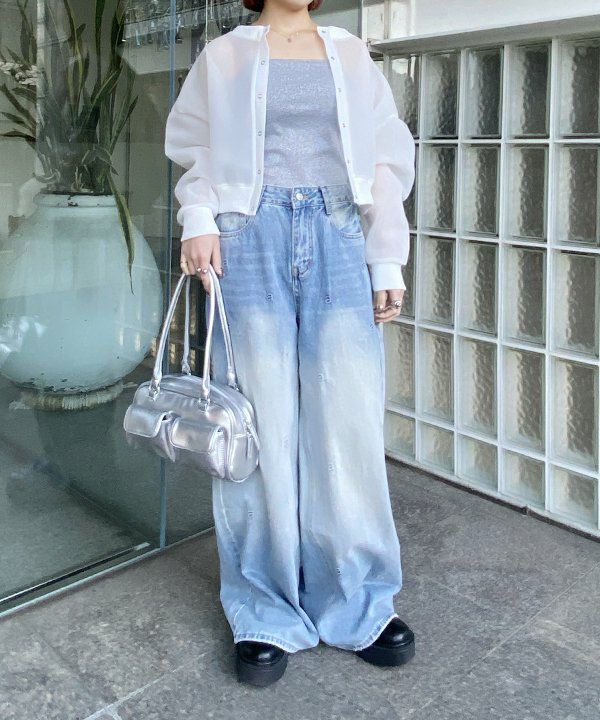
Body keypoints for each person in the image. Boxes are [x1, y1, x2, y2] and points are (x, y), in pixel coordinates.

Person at [164, 0, 416, 687]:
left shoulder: (350, 52)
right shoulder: (224, 55)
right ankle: (264, 609)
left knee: (347, 421)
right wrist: (198, 217)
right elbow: (195, 145)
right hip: (249, 234)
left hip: (338, 232)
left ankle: (357, 600)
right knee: (259, 425)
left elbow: (385, 157)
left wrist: (386, 259)